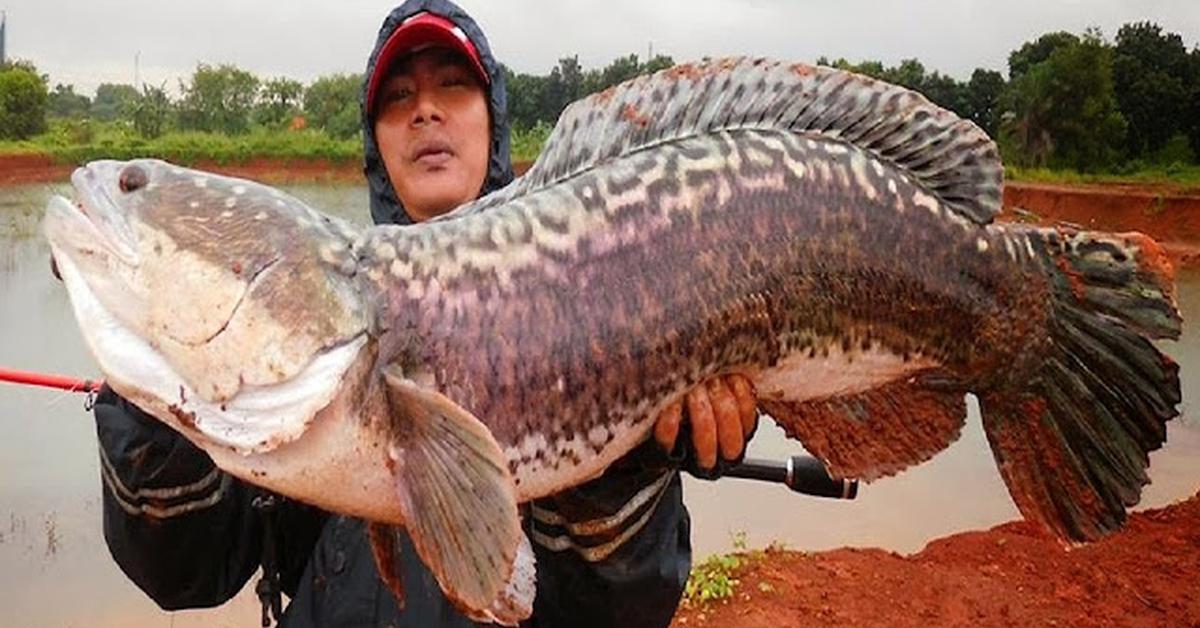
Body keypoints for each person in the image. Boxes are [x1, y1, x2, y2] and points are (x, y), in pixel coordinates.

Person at [92, 1, 758, 626]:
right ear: (375, 140)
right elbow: (186, 574)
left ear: (492, 117)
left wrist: (624, 480)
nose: (425, 112)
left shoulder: (607, 269)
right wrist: (152, 396)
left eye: (453, 87)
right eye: (398, 98)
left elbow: (619, 615)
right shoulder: (303, 327)